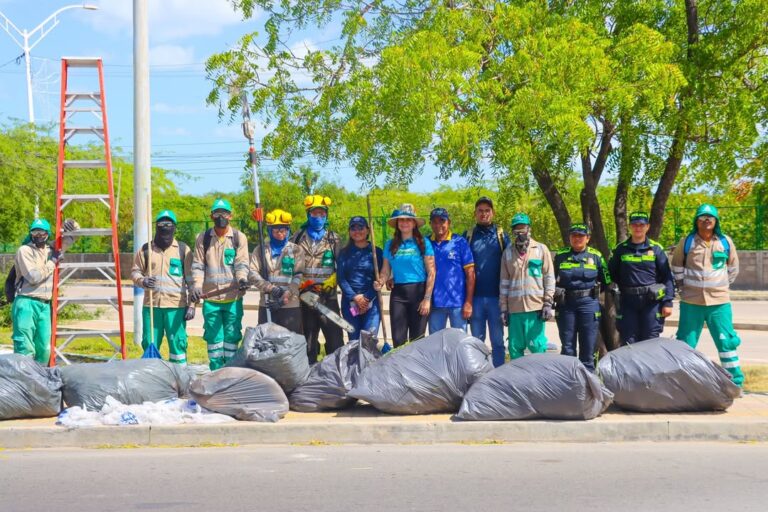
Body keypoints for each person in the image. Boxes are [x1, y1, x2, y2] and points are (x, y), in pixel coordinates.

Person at [671, 204, 743, 387]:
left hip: (719, 304)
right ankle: (682, 382)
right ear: (697, 221)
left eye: (710, 217)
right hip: (691, 302)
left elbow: (733, 269)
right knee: (685, 344)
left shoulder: (725, 242)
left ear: (716, 221)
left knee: (726, 343)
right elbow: (677, 267)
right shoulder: (687, 242)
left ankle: (735, 382)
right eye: (702, 217)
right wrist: (683, 288)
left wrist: (720, 287)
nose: (706, 220)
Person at [190, 198, 250, 370]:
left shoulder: (239, 238)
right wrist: (196, 286)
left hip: (233, 299)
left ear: (230, 216)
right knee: (214, 340)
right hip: (211, 300)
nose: (220, 216)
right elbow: (198, 265)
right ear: (211, 216)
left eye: (224, 213)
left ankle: (231, 372)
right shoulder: (203, 238)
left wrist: (242, 279)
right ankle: (216, 372)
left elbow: (241, 263)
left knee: (232, 338)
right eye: (217, 213)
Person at [131, 210, 194, 365]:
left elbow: (191, 280)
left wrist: (192, 305)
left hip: (176, 308)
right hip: (151, 308)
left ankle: (179, 380)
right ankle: (152, 383)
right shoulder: (146, 250)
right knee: (149, 344)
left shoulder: (183, 250)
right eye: (161, 224)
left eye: (168, 224)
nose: (165, 227)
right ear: (156, 227)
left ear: (174, 227)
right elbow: (135, 272)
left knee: (178, 345)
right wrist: (142, 281)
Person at [291, 194, 344, 363]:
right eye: (315, 214)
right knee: (308, 338)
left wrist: (331, 285)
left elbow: (340, 265)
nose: (319, 217)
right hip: (305, 295)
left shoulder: (333, 238)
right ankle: (310, 372)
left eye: (322, 214)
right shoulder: (297, 237)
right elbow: (291, 265)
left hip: (328, 296)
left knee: (334, 337)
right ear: (308, 215)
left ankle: (335, 370)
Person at [608, 211, 674, 345]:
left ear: (647, 227)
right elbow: (612, 274)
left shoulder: (656, 249)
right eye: (635, 225)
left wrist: (667, 302)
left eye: (641, 225)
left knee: (651, 339)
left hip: (651, 301)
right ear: (630, 227)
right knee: (628, 340)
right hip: (628, 301)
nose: (638, 228)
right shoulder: (620, 249)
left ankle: (652, 367)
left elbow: (667, 276)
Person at [374, 204, 436, 347]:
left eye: (408, 220)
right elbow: (385, 270)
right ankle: (399, 369)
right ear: (397, 224)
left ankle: (416, 369)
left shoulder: (423, 243)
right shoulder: (390, 244)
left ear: (414, 223)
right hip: (398, 295)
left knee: (417, 340)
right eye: (401, 220)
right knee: (398, 338)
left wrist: (427, 298)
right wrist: (381, 281)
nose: (404, 223)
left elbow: (432, 271)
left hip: (419, 293)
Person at [553, 223, 611, 371]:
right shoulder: (560, 256)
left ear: (588, 238)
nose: (577, 238)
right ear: (569, 238)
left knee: (588, 346)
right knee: (567, 347)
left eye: (581, 235)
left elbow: (606, 280)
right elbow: (550, 278)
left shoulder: (596, 256)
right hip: (566, 304)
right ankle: (569, 381)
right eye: (574, 235)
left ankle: (589, 383)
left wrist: (592, 293)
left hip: (588, 303)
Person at [499, 212, 555, 360]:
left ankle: (539, 381)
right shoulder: (507, 253)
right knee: (515, 347)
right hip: (515, 310)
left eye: (523, 228)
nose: (520, 232)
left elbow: (549, 278)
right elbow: (504, 283)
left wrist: (548, 303)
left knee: (537, 346)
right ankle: (519, 381)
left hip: (535, 308)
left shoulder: (541, 250)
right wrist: (503, 309)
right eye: (517, 229)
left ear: (529, 229)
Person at [464, 197, 509, 366]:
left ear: (493, 213)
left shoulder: (501, 236)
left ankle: (498, 375)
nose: (484, 214)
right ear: (475, 214)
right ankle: (479, 375)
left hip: (496, 298)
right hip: (474, 298)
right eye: (480, 211)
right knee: (477, 341)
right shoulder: (468, 236)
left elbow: (510, 264)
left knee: (498, 341)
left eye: (487, 211)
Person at [11, 219, 62, 364]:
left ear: (47, 233)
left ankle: (39, 380)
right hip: (27, 301)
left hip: (44, 305)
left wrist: (72, 227)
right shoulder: (25, 251)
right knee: (25, 348)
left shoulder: (50, 251)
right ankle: (23, 382)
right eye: (34, 231)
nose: (38, 235)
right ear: (30, 233)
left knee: (45, 348)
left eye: (41, 232)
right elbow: (34, 277)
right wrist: (52, 263)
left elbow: (66, 242)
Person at [248, 208, 304, 333]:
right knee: (266, 344)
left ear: (288, 230)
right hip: (267, 304)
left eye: (283, 229)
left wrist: (285, 296)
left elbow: (298, 276)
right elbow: (252, 273)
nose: (280, 233)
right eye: (276, 230)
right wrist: (271, 288)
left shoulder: (296, 250)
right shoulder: (261, 250)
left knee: (289, 344)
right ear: (269, 230)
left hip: (290, 305)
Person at [336, 216, 384, 342]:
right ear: (349, 232)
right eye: (353, 228)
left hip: (372, 303)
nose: (357, 231)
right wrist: (355, 297)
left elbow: (379, 278)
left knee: (369, 340)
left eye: (361, 227)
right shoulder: (344, 253)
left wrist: (366, 298)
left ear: (368, 230)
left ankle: (369, 363)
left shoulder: (376, 252)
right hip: (350, 303)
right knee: (354, 340)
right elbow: (341, 278)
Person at [428, 207, 475, 333]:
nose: (438, 225)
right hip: (435, 304)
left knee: (460, 343)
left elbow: (470, 274)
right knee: (435, 343)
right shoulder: (426, 243)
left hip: (457, 303)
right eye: (435, 221)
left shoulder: (460, 242)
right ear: (430, 224)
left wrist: (468, 302)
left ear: (449, 222)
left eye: (442, 221)